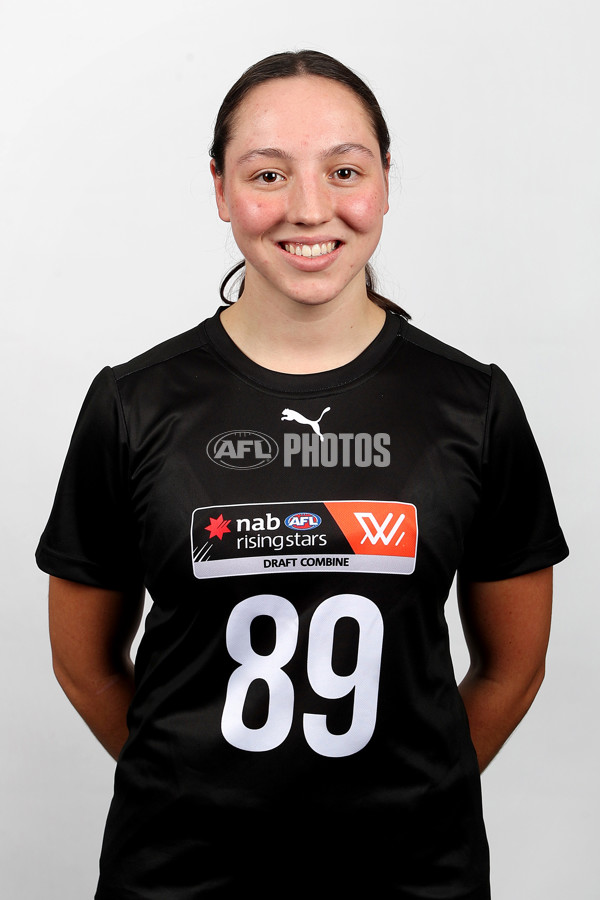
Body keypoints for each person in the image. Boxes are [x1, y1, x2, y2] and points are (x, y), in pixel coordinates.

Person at [37, 50, 568, 899]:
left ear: (386, 182)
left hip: (412, 878)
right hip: (178, 876)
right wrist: (196, 796)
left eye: (345, 170)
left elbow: (514, 668)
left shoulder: (473, 406)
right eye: (269, 174)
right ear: (219, 189)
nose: (310, 208)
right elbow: (83, 664)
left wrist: (409, 803)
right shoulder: (132, 405)